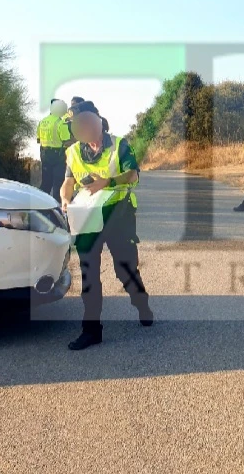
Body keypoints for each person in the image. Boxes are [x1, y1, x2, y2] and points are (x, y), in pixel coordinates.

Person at [60, 103, 153, 350]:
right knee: (88, 271)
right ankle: (91, 330)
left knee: (125, 270)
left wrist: (108, 181)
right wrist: (65, 199)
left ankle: (141, 302)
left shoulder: (119, 145)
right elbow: (68, 183)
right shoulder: (73, 152)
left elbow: (133, 175)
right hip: (88, 216)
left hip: (118, 214)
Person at [36, 99, 74, 200]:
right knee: (58, 184)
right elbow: (67, 141)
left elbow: (38, 139)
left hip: (44, 154)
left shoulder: (42, 121)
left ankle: (40, 205)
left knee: (46, 183)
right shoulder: (61, 123)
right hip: (58, 156)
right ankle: (58, 209)